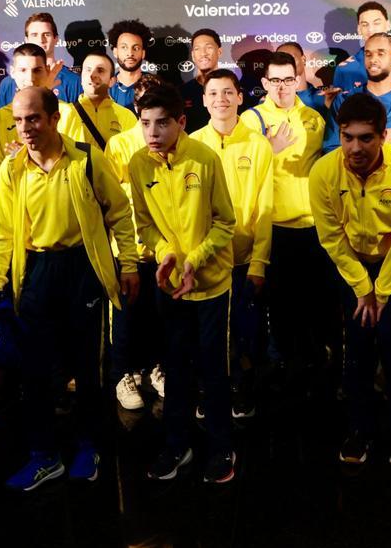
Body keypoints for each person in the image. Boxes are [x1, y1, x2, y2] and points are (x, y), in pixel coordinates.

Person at [0, 86, 139, 488]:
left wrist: (128, 264)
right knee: (35, 372)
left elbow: (120, 213)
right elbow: (0, 234)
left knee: (88, 367)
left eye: (33, 118)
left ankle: (90, 447)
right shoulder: (12, 169)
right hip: (36, 272)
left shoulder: (87, 159)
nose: (25, 128)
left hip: (82, 269)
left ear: (54, 118)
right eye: (18, 120)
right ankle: (43, 456)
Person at [129, 84, 237, 483]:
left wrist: (194, 259)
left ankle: (222, 447)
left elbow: (227, 221)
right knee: (174, 370)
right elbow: (145, 225)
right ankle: (177, 446)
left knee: (213, 370)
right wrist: (166, 256)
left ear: (181, 123)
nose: (153, 132)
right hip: (169, 285)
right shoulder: (139, 164)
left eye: (162, 123)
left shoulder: (205, 158)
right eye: (145, 124)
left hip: (211, 285)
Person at [311, 93, 391, 465]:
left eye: (366, 138)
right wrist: (363, 289)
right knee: (357, 344)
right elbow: (330, 236)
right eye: (347, 137)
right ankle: (358, 428)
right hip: (352, 266)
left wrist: (384, 292)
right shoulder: (323, 172)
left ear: (383, 136)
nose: (355, 148)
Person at [239, 52, 330, 379]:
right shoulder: (250, 120)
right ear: (264, 83)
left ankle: (314, 365)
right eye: (274, 81)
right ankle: (278, 368)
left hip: (314, 227)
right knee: (278, 309)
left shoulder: (314, 117)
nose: (281, 88)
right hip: (273, 228)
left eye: (287, 80)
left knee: (313, 304)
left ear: (298, 79)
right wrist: (268, 149)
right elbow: (242, 170)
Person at [191, 69, 274, 418]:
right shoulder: (192, 143)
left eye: (228, 92)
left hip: (243, 260)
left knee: (245, 332)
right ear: (204, 99)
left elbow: (266, 208)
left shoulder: (258, 144)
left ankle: (243, 389)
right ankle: (211, 391)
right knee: (207, 336)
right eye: (213, 93)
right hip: (205, 260)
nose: (221, 100)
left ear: (241, 97)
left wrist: (258, 263)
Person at [105, 75, 167, 411]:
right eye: (143, 100)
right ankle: (122, 374)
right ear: (135, 103)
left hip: (164, 247)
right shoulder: (119, 145)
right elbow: (111, 197)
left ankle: (156, 369)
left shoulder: (174, 140)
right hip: (127, 247)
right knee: (125, 317)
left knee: (159, 316)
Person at [324, 32, 391, 170]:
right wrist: (378, 142)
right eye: (368, 54)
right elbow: (330, 153)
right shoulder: (343, 101)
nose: (373, 59)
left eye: (381, 54)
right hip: (352, 189)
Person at [0, 43, 49, 178]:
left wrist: (29, 158)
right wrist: (14, 161)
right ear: (13, 72)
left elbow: (76, 163)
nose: (31, 79)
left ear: (47, 70)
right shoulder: (0, 117)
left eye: (37, 70)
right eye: (23, 70)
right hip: (14, 196)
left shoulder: (67, 112)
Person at [332, 1, 391, 93]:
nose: (371, 29)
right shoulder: (346, 69)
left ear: (388, 25)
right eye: (365, 24)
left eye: (376, 23)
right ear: (359, 29)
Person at [58, 51, 138, 150]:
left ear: (112, 81)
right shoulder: (64, 114)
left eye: (100, 70)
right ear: (81, 78)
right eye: (88, 70)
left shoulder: (127, 117)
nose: (92, 75)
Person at [0, 12, 67, 106]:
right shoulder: (7, 84)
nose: (41, 40)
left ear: (56, 39)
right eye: (34, 35)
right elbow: (3, 118)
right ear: (26, 39)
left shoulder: (73, 81)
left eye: (46, 34)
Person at [179, 28, 223, 132]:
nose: (203, 53)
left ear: (219, 52)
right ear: (193, 55)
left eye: (209, 47)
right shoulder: (180, 93)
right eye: (197, 49)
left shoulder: (233, 90)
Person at [275, 41, 331, 112]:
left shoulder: (323, 99)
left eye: (291, 58)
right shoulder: (270, 101)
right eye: (279, 61)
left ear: (303, 60)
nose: (285, 64)